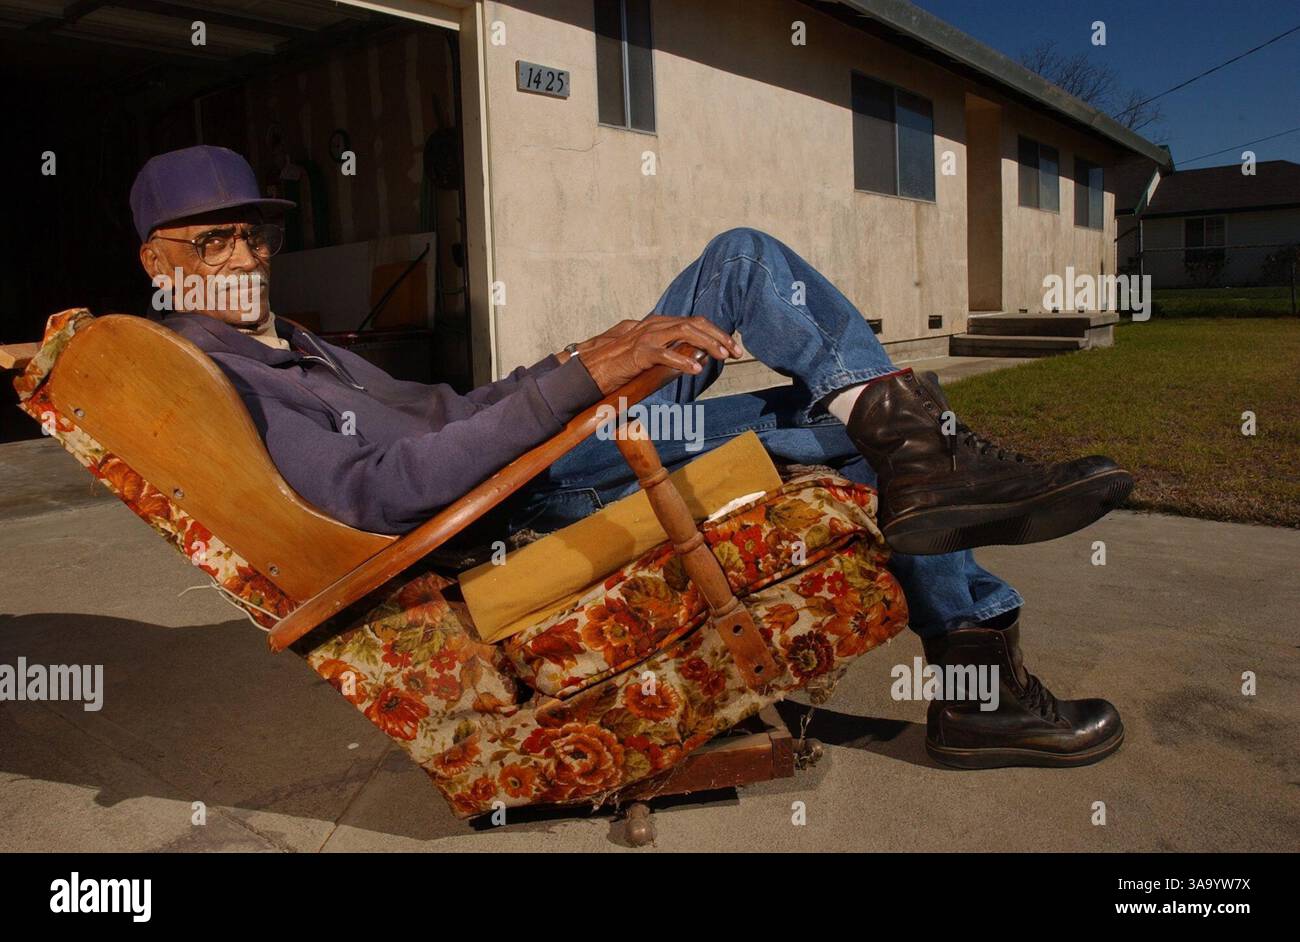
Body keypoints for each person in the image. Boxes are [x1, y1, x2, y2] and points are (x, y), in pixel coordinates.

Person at [132, 145, 1132, 769]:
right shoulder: (202, 379)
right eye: (215, 242)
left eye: (257, 237)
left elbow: (456, 407)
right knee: (847, 431)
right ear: (157, 262)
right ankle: (979, 682)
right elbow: (382, 490)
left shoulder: (292, 342)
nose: (248, 260)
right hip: (529, 503)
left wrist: (580, 358)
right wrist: (573, 387)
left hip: (550, 451)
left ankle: (925, 467)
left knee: (762, 299)